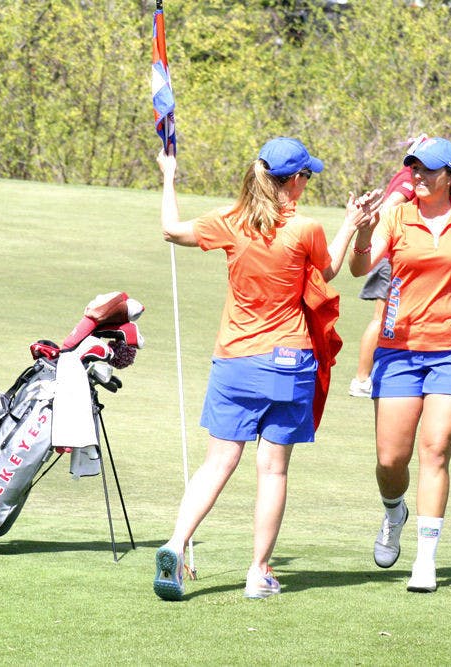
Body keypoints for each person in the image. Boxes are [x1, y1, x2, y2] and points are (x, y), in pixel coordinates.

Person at [153, 137, 381, 601]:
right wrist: (353, 224)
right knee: (272, 470)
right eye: (307, 176)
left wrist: (169, 175)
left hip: (234, 360)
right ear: (294, 181)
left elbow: (171, 230)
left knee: (218, 461)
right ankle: (257, 573)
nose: (308, 183)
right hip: (287, 361)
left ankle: (176, 544)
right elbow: (332, 269)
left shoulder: (230, 220)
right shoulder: (305, 229)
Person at [348, 137, 451, 593]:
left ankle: (426, 559)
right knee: (390, 459)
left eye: (427, 170)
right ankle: (393, 511)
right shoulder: (396, 215)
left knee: (436, 449)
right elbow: (360, 268)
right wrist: (363, 231)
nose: (417, 177)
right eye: (414, 169)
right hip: (399, 350)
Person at [348, 135, 426, 398]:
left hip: (390, 257)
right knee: (381, 319)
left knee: (388, 319)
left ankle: (376, 374)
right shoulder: (408, 180)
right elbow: (391, 205)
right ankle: (361, 379)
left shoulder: (406, 175)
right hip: (389, 259)